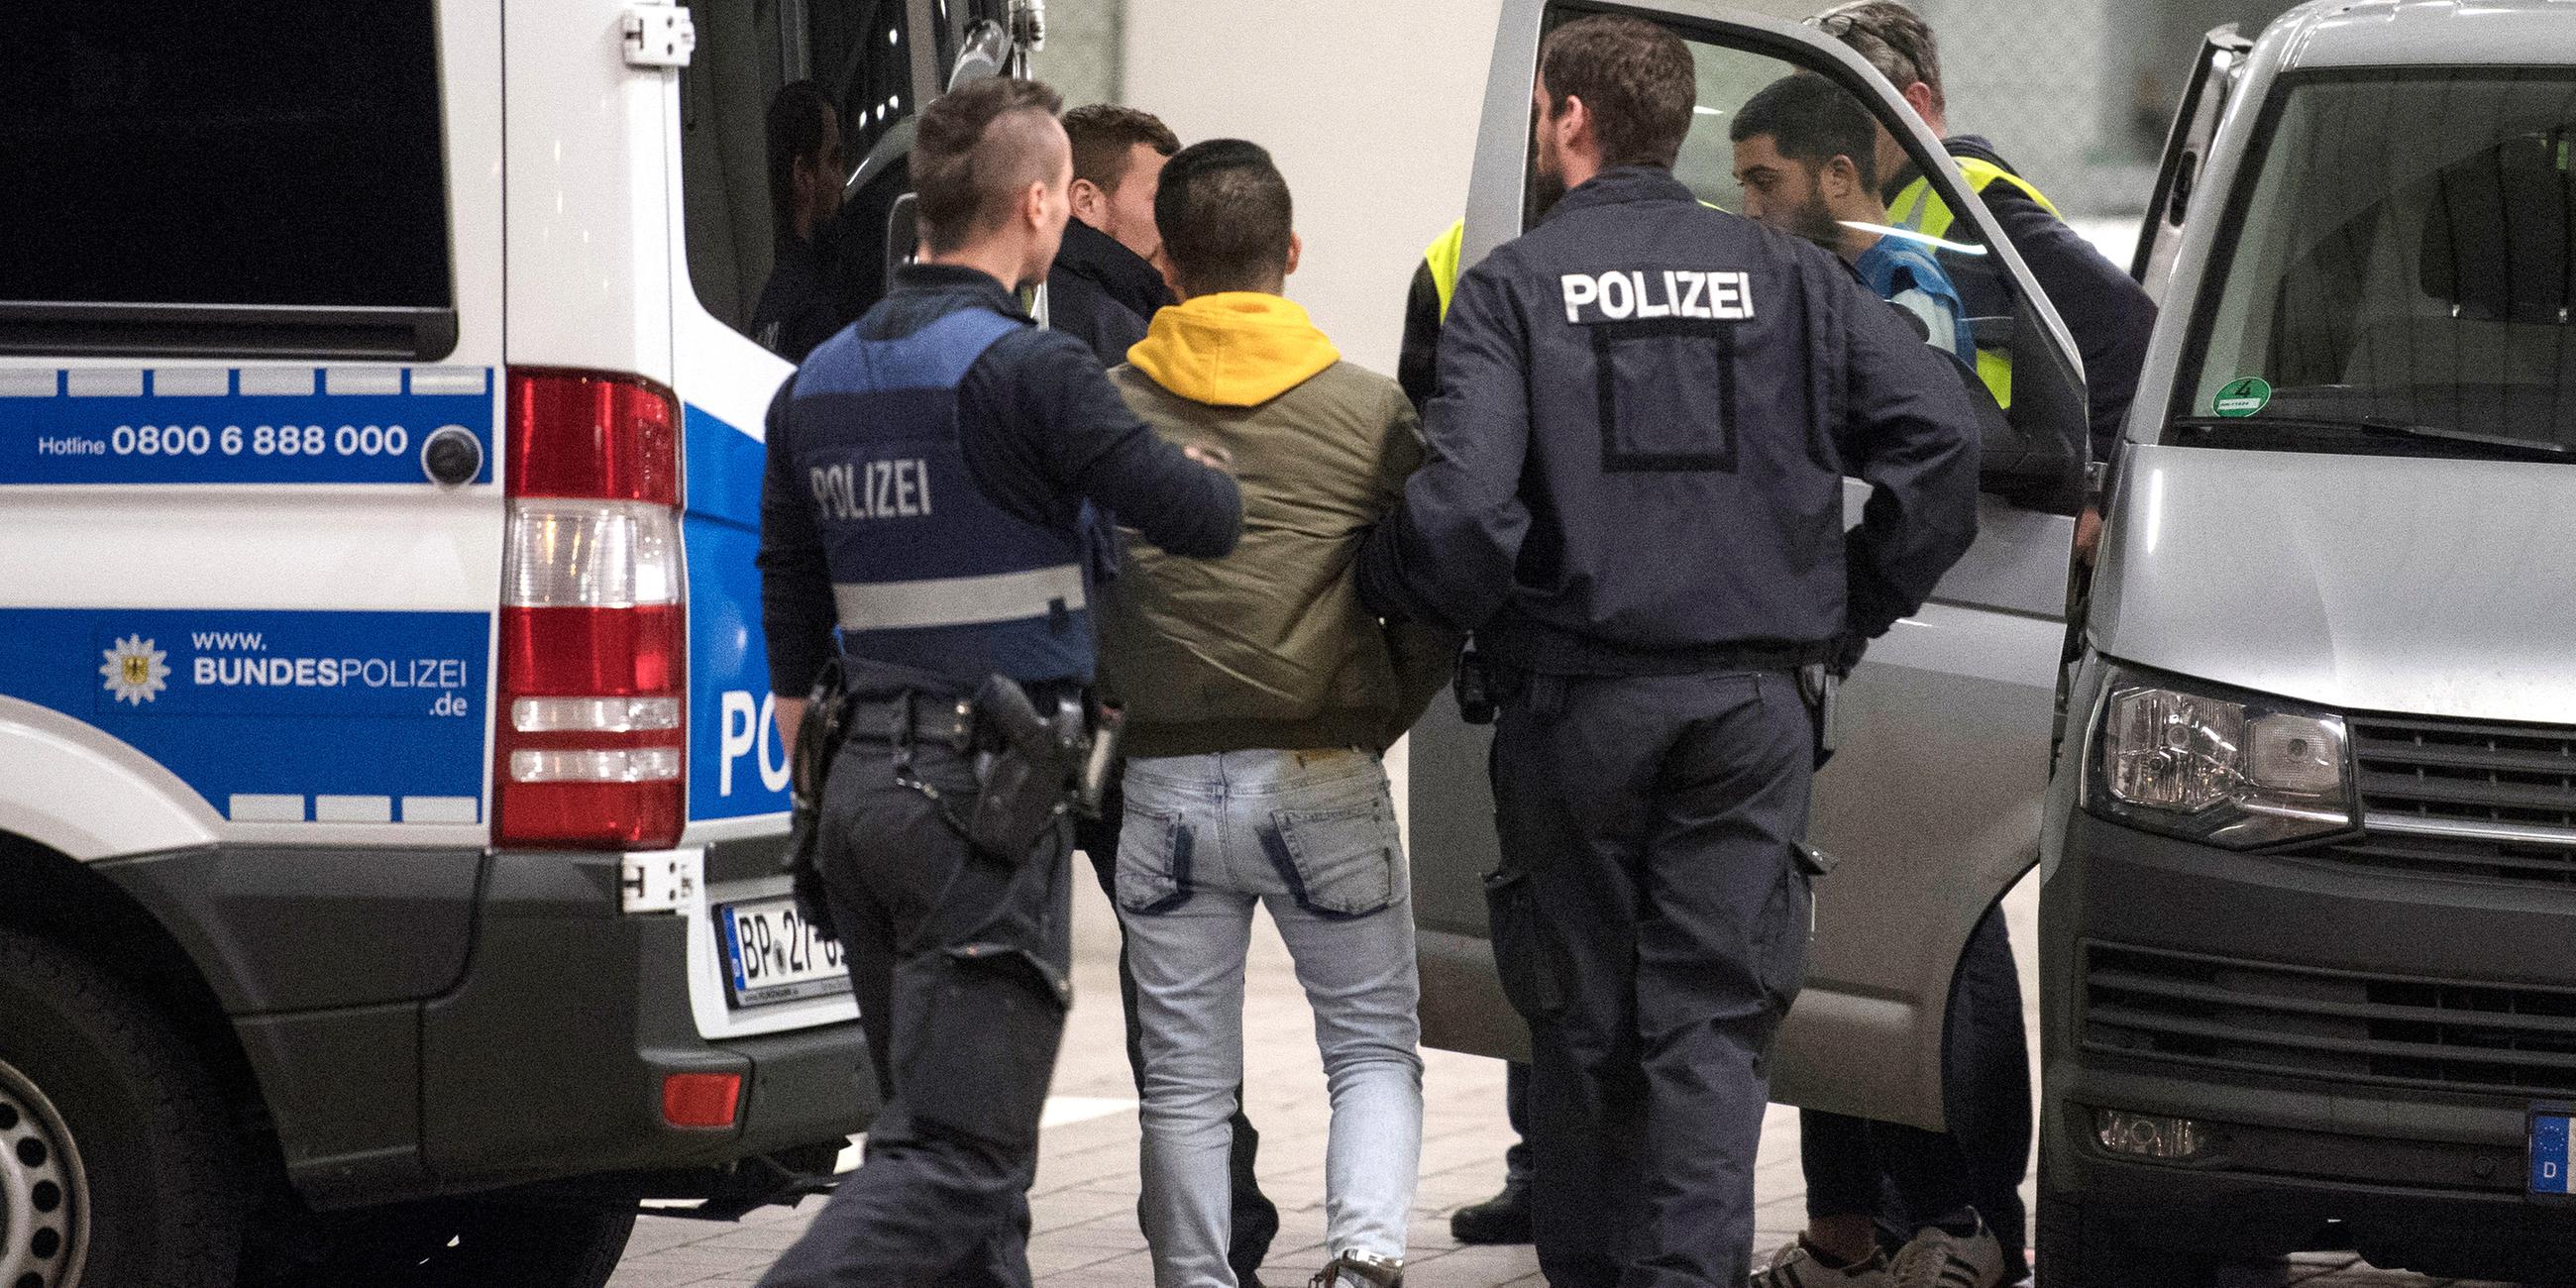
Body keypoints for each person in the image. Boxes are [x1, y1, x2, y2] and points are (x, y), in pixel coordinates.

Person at [1356, 14, 1984, 1288]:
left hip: (1574, 709)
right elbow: (1943, 444)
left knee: (1581, 1019)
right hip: (1749, 710)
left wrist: (1403, 591)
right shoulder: (1788, 276)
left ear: (1571, 118)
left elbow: (1463, 514)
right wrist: (1847, 606)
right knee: (1710, 1027)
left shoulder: (1513, 285)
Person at [753, 75, 1243, 1288]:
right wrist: (1196, 462)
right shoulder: (1032, 372)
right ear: (1036, 204)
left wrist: (826, 772)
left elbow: (789, 602)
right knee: (959, 1158)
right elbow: (1203, 519)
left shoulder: (813, 382)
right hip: (976, 806)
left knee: (949, 1155)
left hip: (855, 803)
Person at [1096, 137, 1453, 1288]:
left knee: (1184, 1084)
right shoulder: (1368, 410)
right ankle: (1362, 1262)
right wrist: (1382, 702)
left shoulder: (1105, 411)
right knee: (1369, 1052)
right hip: (1322, 772)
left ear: (1164, 261)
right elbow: (1443, 575)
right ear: (1289, 251)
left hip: (1158, 783)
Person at [1051, 103, 1289, 1287]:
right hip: (1121, 707)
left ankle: (1215, 1216)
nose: (1177, 211)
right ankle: (1217, 1224)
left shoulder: (1081, 311)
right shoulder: (1113, 332)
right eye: (1156, 187)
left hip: (1066, 700)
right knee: (1175, 984)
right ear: (1086, 200)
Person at [1811, 0, 2155, 555]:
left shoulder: (1972, 204)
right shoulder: (1875, 207)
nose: (1812, 133)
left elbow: (2127, 327)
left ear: (1912, 105)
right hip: (1946, 512)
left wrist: (2101, 494)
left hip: (2000, 523)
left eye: (1835, 110)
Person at [1396, 220, 1539, 1250]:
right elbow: (1423, 444)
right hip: (1532, 630)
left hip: (1588, 627)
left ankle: (1593, 1178)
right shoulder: (1460, 249)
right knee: (1547, 920)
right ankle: (1549, 1167)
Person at [1730, 74, 1975, 370]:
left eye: (1764, 181)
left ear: (1838, 176)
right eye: (1744, 185)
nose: (1750, 210)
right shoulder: (1829, 274)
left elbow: (1923, 399)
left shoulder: (1906, 288)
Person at [1049, 104, 1183, 360]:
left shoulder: (1024, 293)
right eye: (1162, 199)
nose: (1177, 218)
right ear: (1087, 202)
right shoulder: (1118, 337)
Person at [751, 80, 849, 363]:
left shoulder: (770, 307)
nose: (842, 181)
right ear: (803, 175)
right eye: (834, 161)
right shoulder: (813, 312)